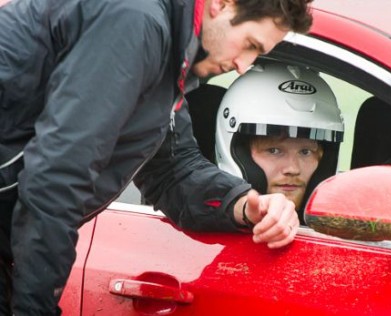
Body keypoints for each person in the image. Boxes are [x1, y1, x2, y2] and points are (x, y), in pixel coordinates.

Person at [0, 0, 313, 314]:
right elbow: (59, 175)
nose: (245, 65)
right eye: (249, 44)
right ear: (221, 4)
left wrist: (246, 205)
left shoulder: (166, 53)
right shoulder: (133, 21)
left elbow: (172, 171)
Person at [214, 61, 344, 223]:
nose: (292, 169)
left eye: (305, 152)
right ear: (239, 152)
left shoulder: (341, 230)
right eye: (274, 151)